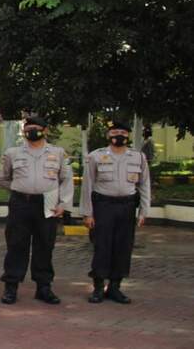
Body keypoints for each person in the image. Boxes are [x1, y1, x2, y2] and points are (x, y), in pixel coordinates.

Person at [0, 116, 74, 305]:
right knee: (16, 245)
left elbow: (66, 179)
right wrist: (20, 188)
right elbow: (3, 178)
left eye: (36, 128)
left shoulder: (58, 153)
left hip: (47, 203)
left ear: (45, 130)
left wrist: (63, 203)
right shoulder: (13, 153)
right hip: (20, 203)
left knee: (45, 245)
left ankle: (44, 287)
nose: (31, 131)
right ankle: (11, 287)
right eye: (28, 127)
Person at [80, 121, 151, 304]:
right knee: (102, 246)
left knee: (123, 247)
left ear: (128, 136)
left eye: (122, 132)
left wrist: (143, 211)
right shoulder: (95, 156)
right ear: (108, 135)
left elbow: (144, 185)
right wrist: (87, 213)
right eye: (115, 132)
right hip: (103, 206)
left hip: (127, 207)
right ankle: (97, 287)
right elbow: (87, 186)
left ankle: (114, 288)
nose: (119, 135)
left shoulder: (138, 157)